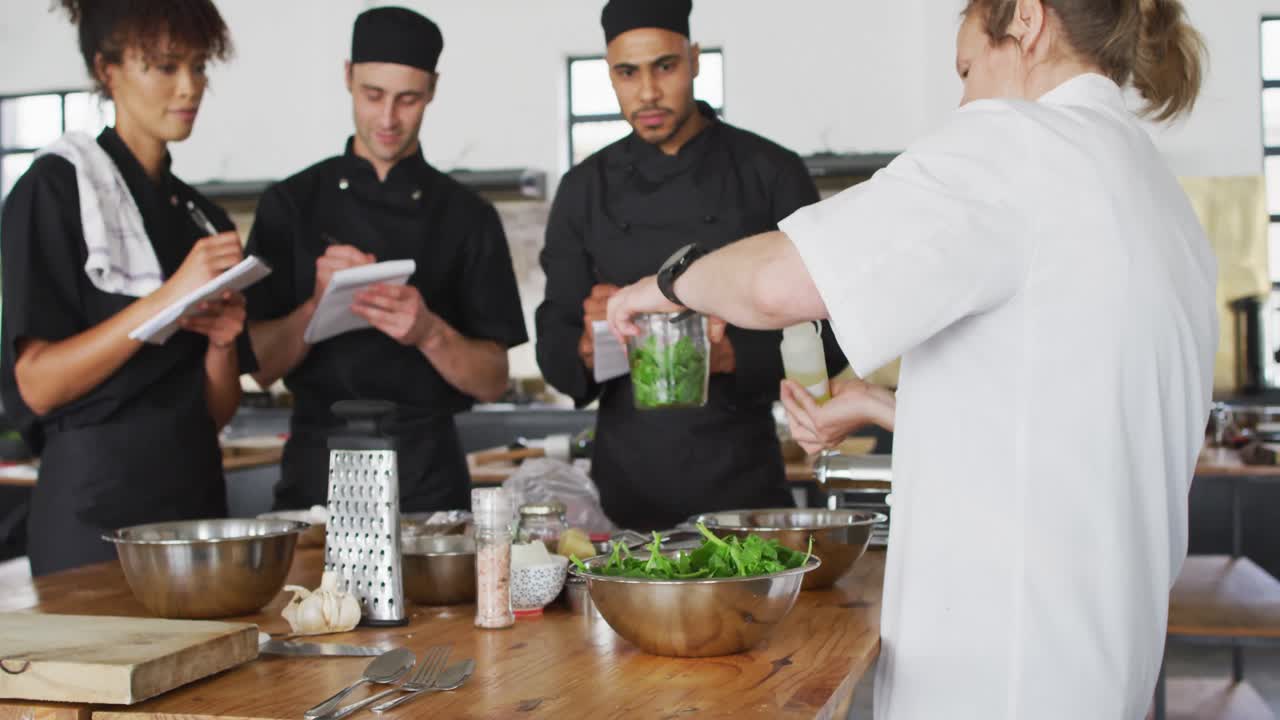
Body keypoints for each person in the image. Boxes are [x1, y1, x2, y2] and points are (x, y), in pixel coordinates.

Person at [607, 0, 1215, 717]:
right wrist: (879, 405)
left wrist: (668, 283)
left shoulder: (1020, 143)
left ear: (1024, 18)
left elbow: (779, 285)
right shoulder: (1148, 186)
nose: (963, 98)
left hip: (1002, 674)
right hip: (1098, 665)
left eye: (965, 69)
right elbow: (1067, 433)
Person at [535, 0, 846, 531]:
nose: (648, 93)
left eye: (665, 67)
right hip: (622, 490)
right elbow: (554, 352)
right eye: (626, 73)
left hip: (743, 482)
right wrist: (585, 347)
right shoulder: (585, 189)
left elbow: (833, 336)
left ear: (695, 59)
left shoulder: (769, 172)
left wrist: (729, 356)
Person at [1, 0, 249, 576]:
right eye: (165, 67)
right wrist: (168, 296)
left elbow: (215, 411)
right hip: (94, 512)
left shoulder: (203, 218)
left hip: (195, 504)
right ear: (106, 70)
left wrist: (222, 342)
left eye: (198, 66)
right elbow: (37, 385)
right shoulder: (55, 190)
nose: (189, 87)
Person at [245, 7, 527, 513]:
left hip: (426, 473)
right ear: (348, 77)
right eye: (373, 95)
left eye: (409, 98)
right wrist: (316, 305)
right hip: (316, 469)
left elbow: (492, 379)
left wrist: (428, 332)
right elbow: (260, 369)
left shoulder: (467, 215)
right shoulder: (289, 204)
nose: (389, 119)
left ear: (433, 90)